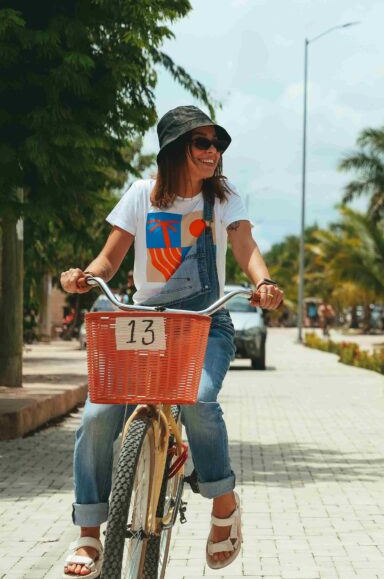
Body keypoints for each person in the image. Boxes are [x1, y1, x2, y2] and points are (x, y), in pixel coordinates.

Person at [59, 105, 283, 577]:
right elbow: (109, 258)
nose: (212, 152)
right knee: (98, 415)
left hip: (204, 322)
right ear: (176, 150)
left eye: (216, 144)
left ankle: (224, 506)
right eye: (201, 143)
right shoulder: (142, 195)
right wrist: (84, 277)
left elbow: (244, 246)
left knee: (199, 398)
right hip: (145, 322)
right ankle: (88, 536)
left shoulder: (223, 201)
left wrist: (263, 283)